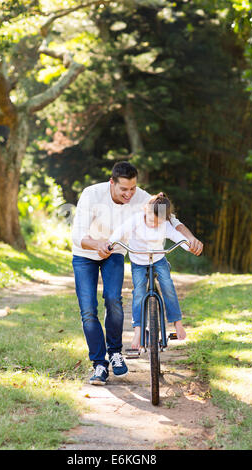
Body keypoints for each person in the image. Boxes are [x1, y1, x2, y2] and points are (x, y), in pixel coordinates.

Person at [71, 162, 203, 386]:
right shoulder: (91, 194)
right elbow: (77, 235)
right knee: (88, 311)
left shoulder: (141, 198)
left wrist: (190, 239)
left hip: (115, 252)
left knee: (113, 300)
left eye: (133, 189)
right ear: (112, 183)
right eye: (124, 189)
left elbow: (171, 222)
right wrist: (98, 245)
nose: (129, 194)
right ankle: (99, 364)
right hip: (85, 253)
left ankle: (115, 353)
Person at [109, 194, 193, 351]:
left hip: (158, 259)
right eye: (151, 220)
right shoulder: (136, 219)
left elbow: (177, 236)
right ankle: (138, 331)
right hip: (138, 261)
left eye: (158, 222)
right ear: (144, 210)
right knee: (139, 293)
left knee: (167, 285)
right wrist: (111, 242)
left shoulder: (164, 223)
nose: (155, 224)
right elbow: (121, 231)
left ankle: (177, 323)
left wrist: (189, 246)